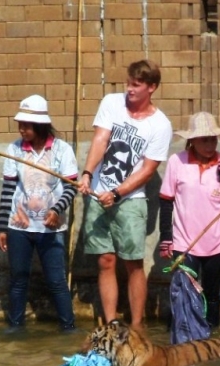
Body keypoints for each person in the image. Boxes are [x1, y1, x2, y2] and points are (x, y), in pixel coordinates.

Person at [78, 59, 173, 327]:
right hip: (98, 195)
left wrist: (118, 193)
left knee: (133, 262)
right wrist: (87, 173)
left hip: (131, 201)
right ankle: (110, 323)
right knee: (105, 260)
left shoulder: (160, 124)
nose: (129, 89)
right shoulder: (111, 102)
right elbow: (100, 139)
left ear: (151, 87)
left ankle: (137, 324)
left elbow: (147, 169)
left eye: (136, 85)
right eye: (128, 83)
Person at [0, 95, 77, 332]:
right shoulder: (14, 150)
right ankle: (15, 326)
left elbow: (71, 187)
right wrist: (2, 227)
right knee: (18, 279)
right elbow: (8, 190)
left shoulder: (62, 150)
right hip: (19, 226)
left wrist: (56, 209)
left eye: (26, 125)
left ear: (40, 126)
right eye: (20, 124)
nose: (22, 129)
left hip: (51, 228)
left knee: (56, 282)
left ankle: (68, 328)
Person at [158, 112, 220, 328]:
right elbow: (166, 200)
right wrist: (166, 237)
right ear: (192, 141)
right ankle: (184, 338)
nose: (210, 144)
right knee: (186, 294)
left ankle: (211, 338)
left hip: (217, 241)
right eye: (204, 139)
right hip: (185, 242)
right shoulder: (176, 162)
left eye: (213, 139)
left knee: (212, 294)